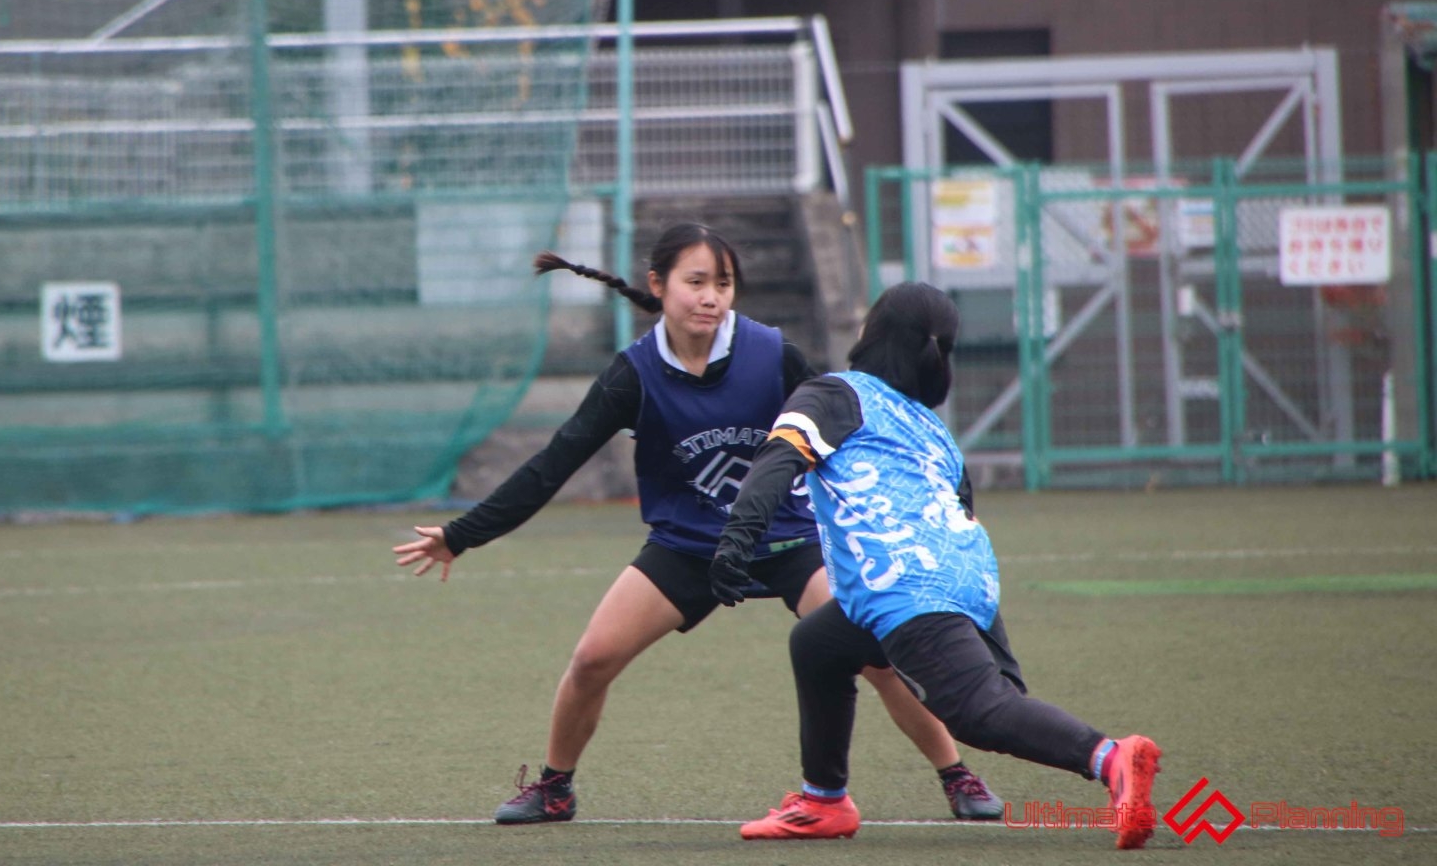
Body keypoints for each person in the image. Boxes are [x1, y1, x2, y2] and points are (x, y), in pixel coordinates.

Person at [393, 225, 1002, 825]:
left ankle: (956, 775)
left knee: (879, 656)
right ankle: (555, 789)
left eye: (724, 284)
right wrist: (461, 535)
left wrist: (941, 495)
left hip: (792, 537)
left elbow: (859, 424)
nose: (711, 297)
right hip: (688, 545)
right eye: (696, 282)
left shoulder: (773, 355)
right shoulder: (634, 374)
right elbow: (553, 464)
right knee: (592, 660)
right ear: (658, 285)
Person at [709, 281, 1162, 849]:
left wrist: (736, 540)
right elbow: (960, 520)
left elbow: (778, 457)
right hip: (967, 576)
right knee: (818, 646)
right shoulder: (931, 428)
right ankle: (824, 802)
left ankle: (1112, 758)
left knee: (978, 714)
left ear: (872, 333)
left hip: (907, 587)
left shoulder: (830, 394)